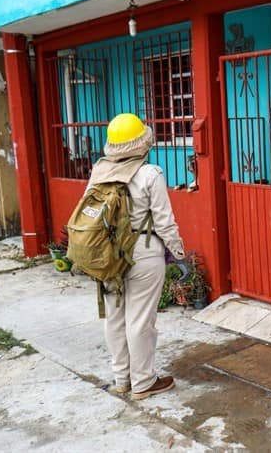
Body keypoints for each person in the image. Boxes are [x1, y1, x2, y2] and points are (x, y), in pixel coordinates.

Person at [87, 113, 186, 400]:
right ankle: (143, 382)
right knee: (140, 319)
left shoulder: (98, 172)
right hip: (143, 253)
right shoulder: (149, 174)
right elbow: (165, 222)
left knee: (114, 318)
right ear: (144, 142)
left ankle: (122, 379)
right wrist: (179, 254)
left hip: (106, 254)